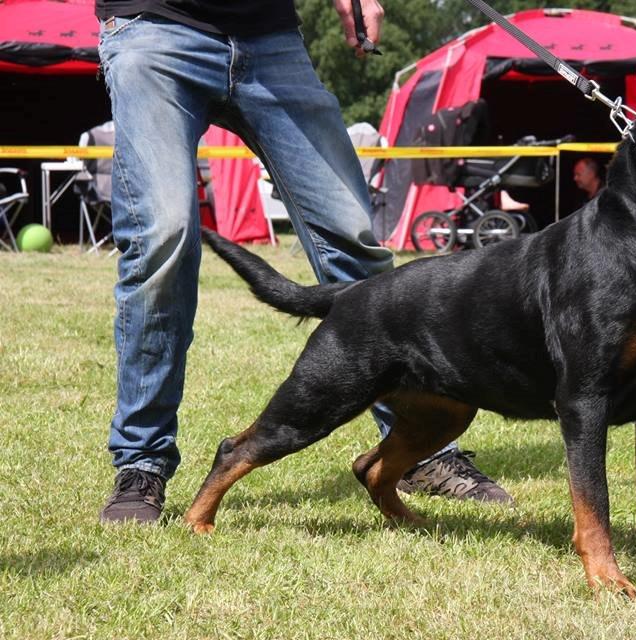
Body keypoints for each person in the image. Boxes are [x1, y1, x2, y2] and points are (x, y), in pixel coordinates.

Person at [97, 0, 512, 523]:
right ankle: (142, 461)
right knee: (164, 238)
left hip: (271, 38)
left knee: (353, 241)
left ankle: (414, 448)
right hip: (154, 26)